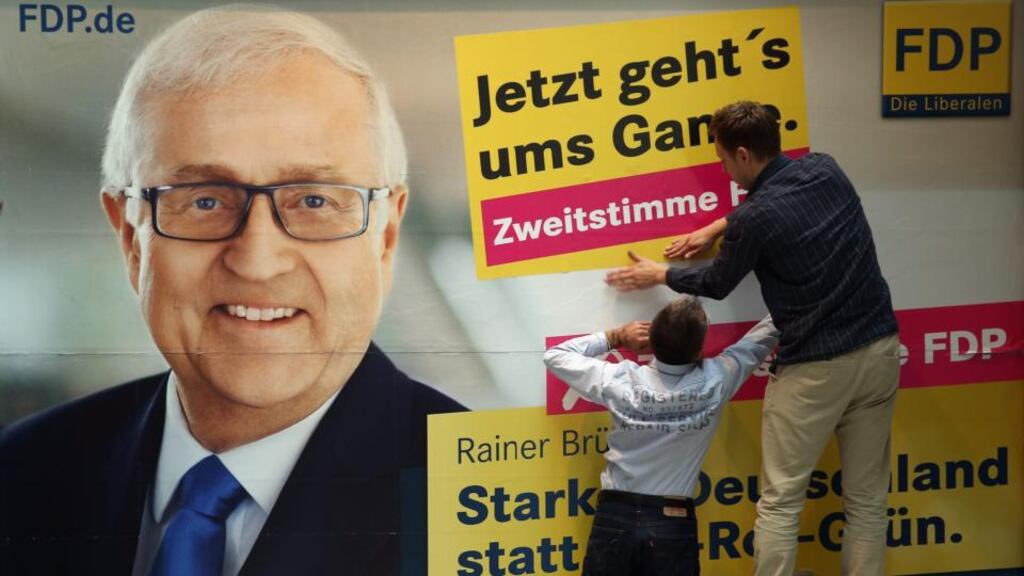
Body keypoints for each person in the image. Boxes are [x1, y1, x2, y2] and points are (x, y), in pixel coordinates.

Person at [0, 7, 465, 575]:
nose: (257, 261)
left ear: (386, 235)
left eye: (313, 200)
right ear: (130, 235)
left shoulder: (497, 502)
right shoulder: (20, 472)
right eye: (204, 200)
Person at [605, 101, 900, 576]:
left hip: (815, 370)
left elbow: (718, 284)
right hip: (881, 351)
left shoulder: (754, 219)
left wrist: (661, 272)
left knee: (781, 503)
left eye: (722, 159)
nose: (722, 168)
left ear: (742, 154)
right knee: (868, 502)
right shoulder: (826, 169)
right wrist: (719, 224)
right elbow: (778, 194)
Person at [544, 296, 778, 576]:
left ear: (649, 340)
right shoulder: (718, 379)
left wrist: (615, 336)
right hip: (672, 521)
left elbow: (555, 356)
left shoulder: (619, 380)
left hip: (615, 514)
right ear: (698, 351)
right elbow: (763, 336)